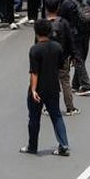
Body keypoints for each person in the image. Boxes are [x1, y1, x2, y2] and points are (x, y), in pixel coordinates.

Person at [22, 19, 71, 156]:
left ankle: (32, 146)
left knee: (34, 118)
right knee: (56, 116)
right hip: (53, 87)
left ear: (36, 32)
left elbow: (34, 72)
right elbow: (61, 65)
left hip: (38, 88)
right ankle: (63, 144)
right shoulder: (57, 47)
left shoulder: (35, 49)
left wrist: (33, 90)